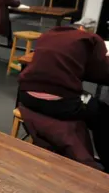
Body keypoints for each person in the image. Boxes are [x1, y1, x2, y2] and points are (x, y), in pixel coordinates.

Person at [18, 18, 109, 172]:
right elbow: (103, 71)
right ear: (83, 29)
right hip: (59, 102)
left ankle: (70, 145)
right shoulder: (91, 39)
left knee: (84, 100)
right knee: (102, 112)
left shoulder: (49, 34)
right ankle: (101, 166)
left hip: (26, 95)